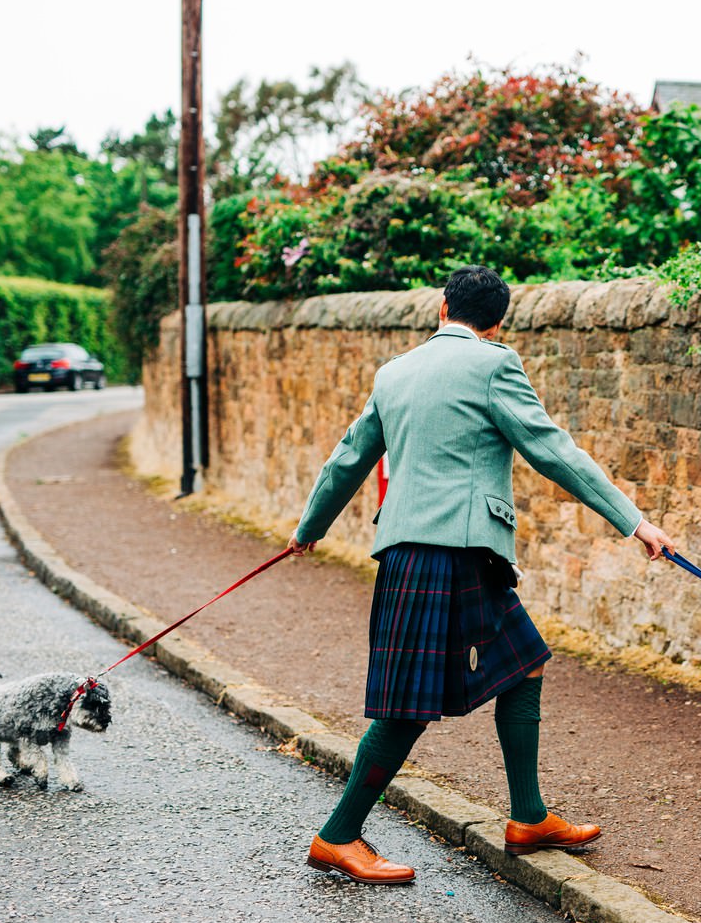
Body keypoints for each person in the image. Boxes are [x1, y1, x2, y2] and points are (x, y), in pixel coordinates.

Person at [288, 265, 676, 885]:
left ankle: (528, 818)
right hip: (454, 554)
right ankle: (337, 836)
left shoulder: (394, 373)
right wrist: (635, 523)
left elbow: (348, 458)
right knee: (404, 710)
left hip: (421, 556)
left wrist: (310, 527)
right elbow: (553, 450)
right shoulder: (496, 363)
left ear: (441, 307)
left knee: (526, 662)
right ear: (497, 322)